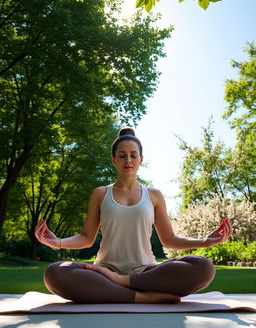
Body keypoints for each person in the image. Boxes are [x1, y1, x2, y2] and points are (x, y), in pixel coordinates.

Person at [35, 127, 233, 304]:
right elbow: (86, 238)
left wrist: (205, 241)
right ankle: (140, 296)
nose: (127, 160)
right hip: (104, 272)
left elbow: (169, 240)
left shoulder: (154, 195)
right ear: (113, 160)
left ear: (141, 160)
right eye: (121, 155)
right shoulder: (101, 194)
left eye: (133, 155)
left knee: (203, 267)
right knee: (55, 273)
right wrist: (57, 242)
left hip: (146, 272)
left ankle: (121, 285)